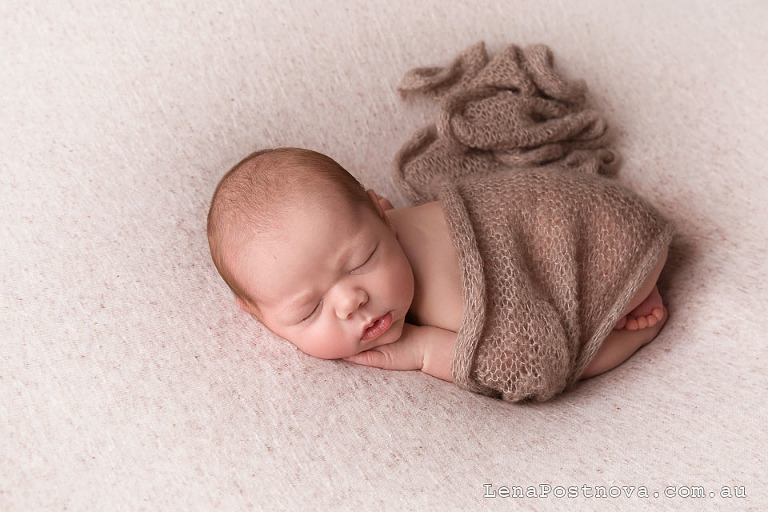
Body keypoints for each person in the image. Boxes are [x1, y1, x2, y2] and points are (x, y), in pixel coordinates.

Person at [207, 147, 670, 398]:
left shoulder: (448, 295)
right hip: (580, 203)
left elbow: (533, 365)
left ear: (380, 212)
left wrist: (427, 350)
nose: (351, 301)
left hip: (615, 248)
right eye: (309, 310)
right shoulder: (382, 227)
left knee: (570, 362)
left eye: (361, 261)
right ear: (256, 315)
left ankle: (635, 328)